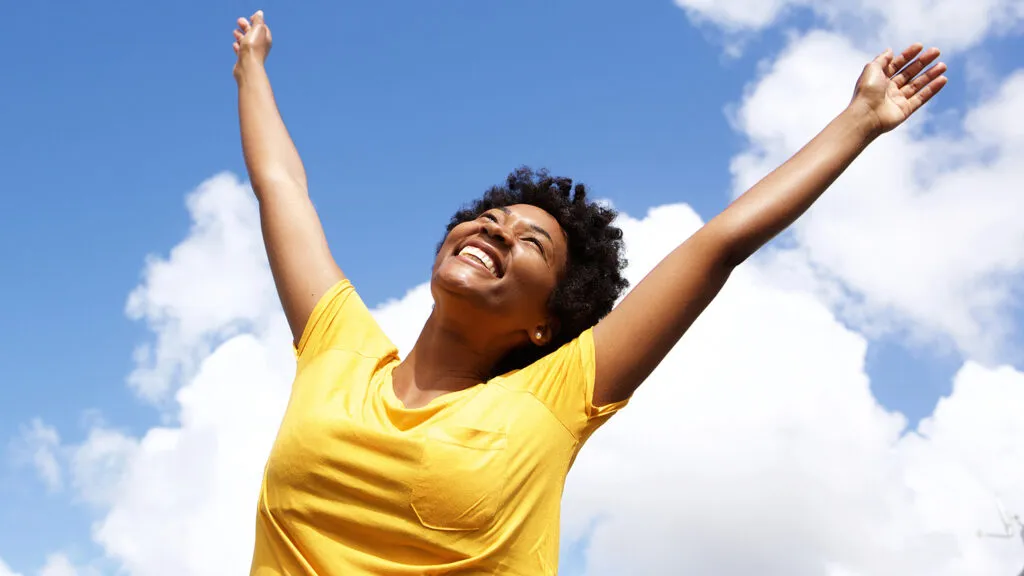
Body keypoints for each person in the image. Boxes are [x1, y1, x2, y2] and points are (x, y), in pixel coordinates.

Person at [231, 9, 947, 575]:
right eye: (491, 217)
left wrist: (857, 122)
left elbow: (716, 246)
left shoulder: (552, 397)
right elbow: (282, 187)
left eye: (531, 241)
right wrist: (253, 69)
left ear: (547, 324)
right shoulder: (339, 350)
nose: (496, 229)